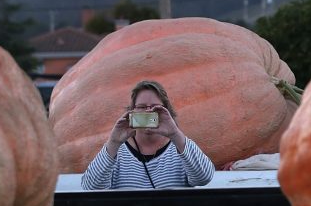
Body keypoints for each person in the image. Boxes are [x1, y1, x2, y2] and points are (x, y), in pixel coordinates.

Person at [81, 80, 215, 189]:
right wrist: (113, 142)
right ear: (131, 112)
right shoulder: (116, 153)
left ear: (166, 111)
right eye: (142, 107)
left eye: (155, 107)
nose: (148, 112)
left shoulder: (181, 150)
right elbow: (91, 187)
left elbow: (204, 178)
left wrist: (175, 133)